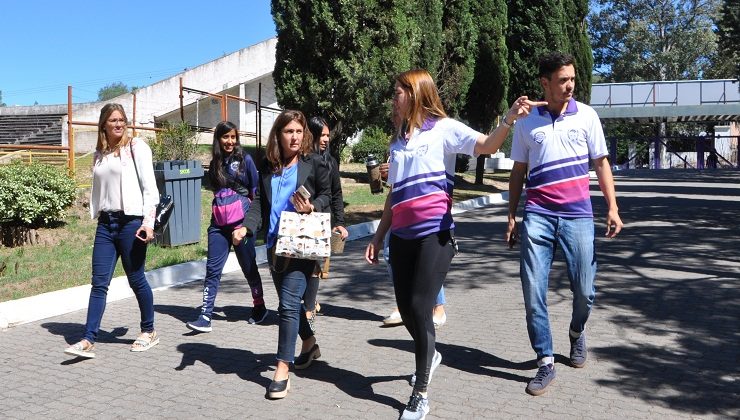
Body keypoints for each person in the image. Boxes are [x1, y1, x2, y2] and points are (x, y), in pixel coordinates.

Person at [365, 69, 541, 420]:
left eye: (398, 91)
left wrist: (507, 119)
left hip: (435, 234)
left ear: (415, 93)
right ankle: (429, 355)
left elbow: (486, 146)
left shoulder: (444, 129)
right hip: (401, 236)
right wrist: (378, 234)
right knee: (406, 308)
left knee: (419, 305)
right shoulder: (398, 139)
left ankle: (420, 394)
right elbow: (394, 195)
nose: (393, 98)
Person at [506, 52, 624, 397]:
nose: (570, 85)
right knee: (533, 291)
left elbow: (601, 165)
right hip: (538, 216)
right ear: (545, 83)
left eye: (572, 79)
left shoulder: (586, 115)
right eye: (563, 80)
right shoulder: (528, 122)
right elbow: (517, 173)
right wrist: (512, 215)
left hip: (578, 216)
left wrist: (612, 208)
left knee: (585, 290)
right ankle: (544, 359)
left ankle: (576, 331)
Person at [241, 110, 331, 399]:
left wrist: (312, 206)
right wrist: (246, 227)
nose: (295, 137)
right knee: (287, 302)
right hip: (274, 245)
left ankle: (282, 368)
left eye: (299, 131)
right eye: (289, 131)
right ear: (278, 135)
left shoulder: (312, 163)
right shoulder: (269, 165)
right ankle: (309, 343)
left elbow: (328, 195)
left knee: (289, 305)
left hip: (302, 245)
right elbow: (259, 202)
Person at [64, 103, 160, 359]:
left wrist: (148, 223)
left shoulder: (136, 147)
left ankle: (148, 330)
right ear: (104, 124)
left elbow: (150, 189)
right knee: (99, 283)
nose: (118, 124)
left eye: (122, 120)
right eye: (113, 120)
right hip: (106, 224)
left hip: (131, 222)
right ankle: (88, 339)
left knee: (136, 278)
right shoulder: (100, 154)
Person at [186, 121, 267, 333]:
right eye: (225, 137)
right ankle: (205, 315)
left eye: (233, 137)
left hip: (241, 223)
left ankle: (259, 306)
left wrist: (252, 223)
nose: (230, 141)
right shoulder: (215, 163)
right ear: (218, 139)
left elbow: (256, 191)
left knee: (248, 267)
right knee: (212, 269)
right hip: (218, 225)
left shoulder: (245, 160)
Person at [302, 116, 348, 329]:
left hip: (322, 220)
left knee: (316, 266)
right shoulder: (301, 159)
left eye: (328, 135)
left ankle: (309, 306)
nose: (326, 139)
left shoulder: (331, 162)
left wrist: (339, 222)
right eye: (322, 135)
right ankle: (308, 302)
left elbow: (336, 194)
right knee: (302, 264)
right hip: (300, 220)